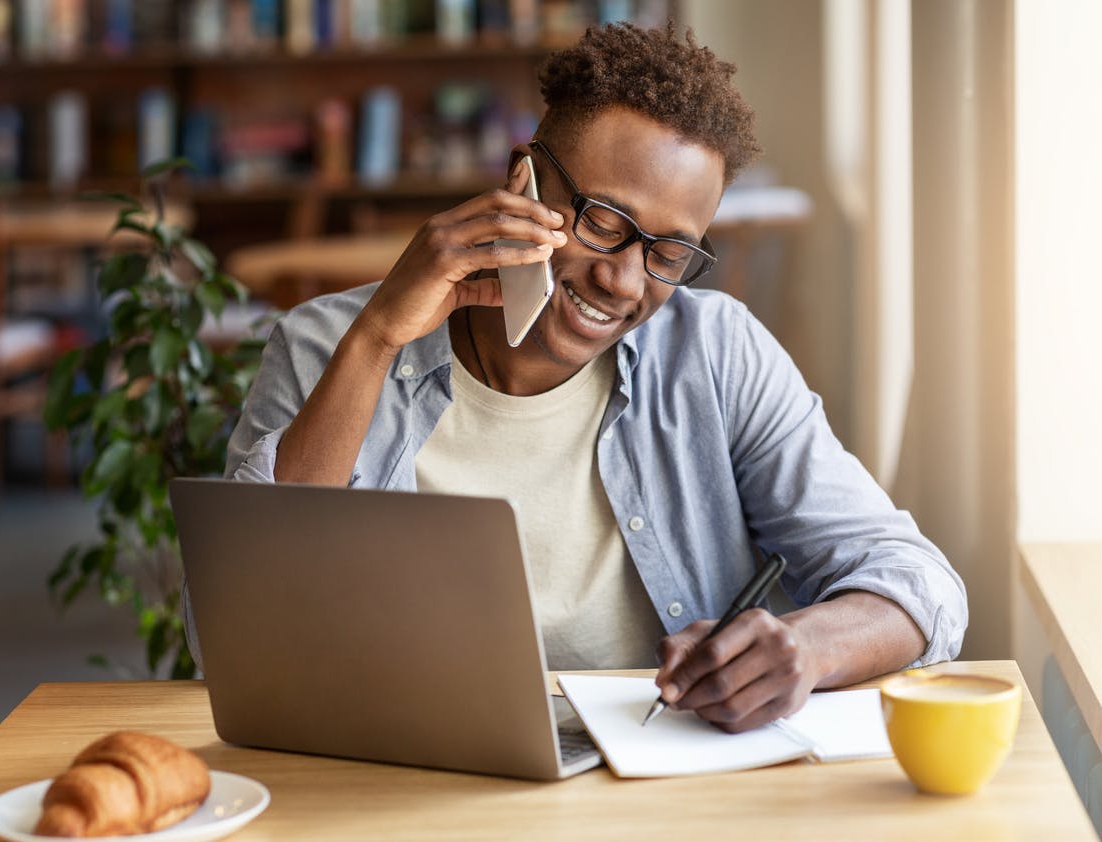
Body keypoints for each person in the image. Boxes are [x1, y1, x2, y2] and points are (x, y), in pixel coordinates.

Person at [203, 23, 967, 734]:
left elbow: (920, 586)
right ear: (524, 177)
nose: (624, 281)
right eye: (603, 220)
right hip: (403, 766)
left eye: (670, 252)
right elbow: (237, 631)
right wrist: (375, 338)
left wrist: (802, 647)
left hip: (652, 770)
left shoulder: (714, 352)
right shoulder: (327, 344)